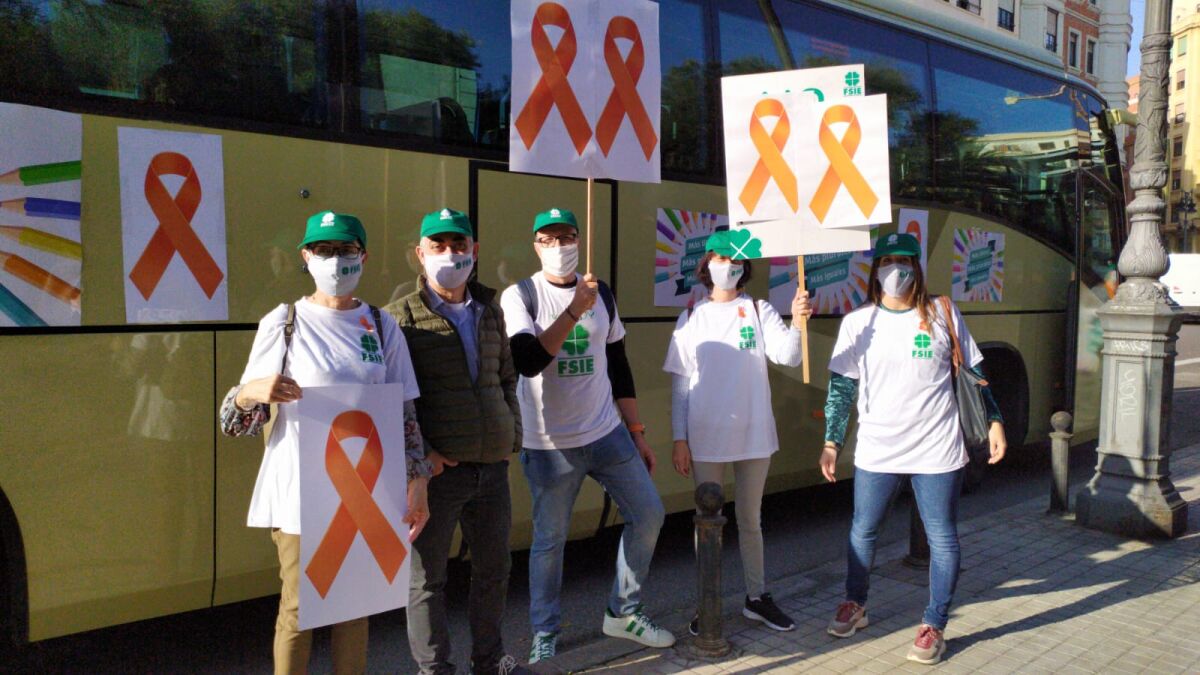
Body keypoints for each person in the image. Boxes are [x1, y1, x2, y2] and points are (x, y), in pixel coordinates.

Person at [219, 211, 432, 675]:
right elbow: (234, 422)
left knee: (355, 607)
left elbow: (404, 414)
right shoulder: (285, 322)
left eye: (346, 250)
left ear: (363, 257)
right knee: (299, 608)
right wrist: (252, 392)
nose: (335, 260)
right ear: (306, 256)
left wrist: (418, 483)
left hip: (366, 492)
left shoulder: (382, 325)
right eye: (324, 250)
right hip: (302, 493)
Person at [820, 232, 1006, 665]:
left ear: (917, 268)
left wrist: (994, 419)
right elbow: (841, 390)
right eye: (887, 261)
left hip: (937, 447)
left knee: (942, 537)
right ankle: (855, 603)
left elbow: (975, 372)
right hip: (878, 448)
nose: (895, 270)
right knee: (863, 530)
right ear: (875, 270)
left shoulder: (943, 313)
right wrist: (831, 441)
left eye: (904, 262)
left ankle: (934, 624)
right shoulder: (858, 322)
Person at [499, 208, 673, 664]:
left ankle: (623, 612)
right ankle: (544, 631)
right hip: (550, 446)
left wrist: (637, 432)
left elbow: (618, 364)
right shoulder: (520, 296)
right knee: (550, 541)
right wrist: (574, 309)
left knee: (649, 514)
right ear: (536, 246)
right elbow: (527, 361)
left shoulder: (602, 293)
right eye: (549, 239)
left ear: (579, 240)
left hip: (607, 433)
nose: (559, 246)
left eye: (567, 237)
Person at [385, 209, 529, 675]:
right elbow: (393, 398)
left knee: (494, 571)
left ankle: (489, 661)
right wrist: (422, 457)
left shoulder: (490, 311)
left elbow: (506, 377)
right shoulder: (400, 317)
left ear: (474, 251)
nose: (450, 254)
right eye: (439, 245)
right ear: (420, 254)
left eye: (459, 244)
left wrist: (512, 433)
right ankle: (435, 670)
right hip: (438, 475)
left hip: (492, 468)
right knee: (428, 580)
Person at [663, 231, 812, 635]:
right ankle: (707, 602)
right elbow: (680, 383)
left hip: (754, 433)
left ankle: (756, 597)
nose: (727, 266)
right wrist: (679, 439)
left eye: (735, 260)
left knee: (750, 519)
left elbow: (788, 356)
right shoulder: (691, 316)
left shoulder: (759, 310)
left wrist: (798, 322)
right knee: (706, 523)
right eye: (720, 257)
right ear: (707, 263)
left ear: (744, 268)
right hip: (705, 435)